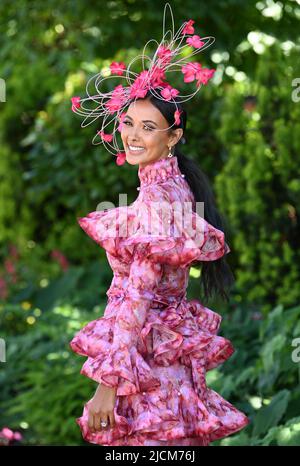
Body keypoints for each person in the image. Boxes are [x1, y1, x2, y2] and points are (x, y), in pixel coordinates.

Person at [69, 3, 250, 446]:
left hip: (148, 369)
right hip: (162, 361)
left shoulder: (158, 199)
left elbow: (139, 294)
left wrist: (106, 388)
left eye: (148, 127)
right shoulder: (174, 190)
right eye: (128, 122)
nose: (131, 134)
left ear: (173, 136)